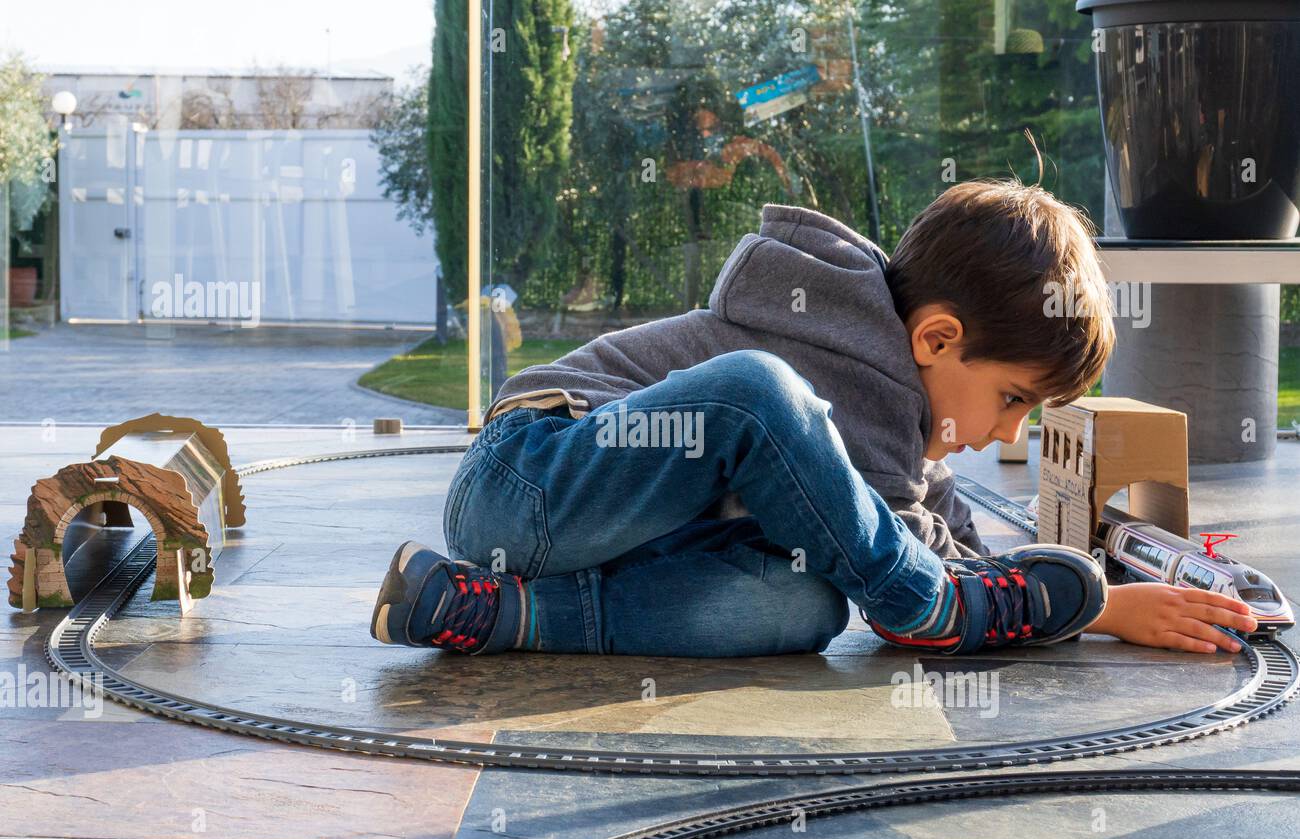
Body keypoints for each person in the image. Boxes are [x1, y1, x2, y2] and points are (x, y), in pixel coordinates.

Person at [370, 180, 1259, 657]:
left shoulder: (906, 415)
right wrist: (1081, 607)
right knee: (760, 392)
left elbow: (948, 550)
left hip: (592, 552)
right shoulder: (843, 367)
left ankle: (491, 614)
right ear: (938, 338)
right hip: (529, 480)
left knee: (803, 605)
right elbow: (926, 568)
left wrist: (1100, 598)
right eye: (1013, 400)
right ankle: (923, 611)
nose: (1008, 436)